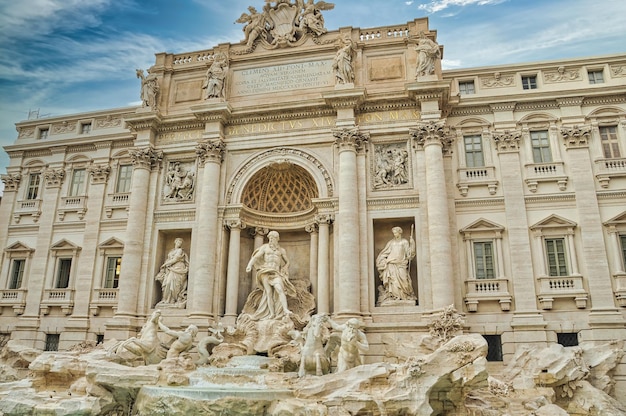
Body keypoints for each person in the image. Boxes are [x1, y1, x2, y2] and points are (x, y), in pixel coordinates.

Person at [245, 231, 296, 320]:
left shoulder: (281, 250)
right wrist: (249, 265)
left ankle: (285, 309)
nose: (271, 239)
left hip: (276, 272)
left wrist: (285, 267)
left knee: (280, 289)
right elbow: (256, 257)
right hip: (265, 271)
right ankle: (272, 314)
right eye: (270, 238)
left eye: (273, 238)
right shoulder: (265, 247)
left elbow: (287, 261)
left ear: (277, 239)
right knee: (268, 293)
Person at [376, 227, 416, 303]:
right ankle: (394, 296)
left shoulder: (404, 242)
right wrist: (382, 260)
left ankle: (404, 296)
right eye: (394, 233)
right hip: (391, 263)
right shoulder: (391, 243)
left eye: (396, 232)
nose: (395, 234)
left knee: (404, 279)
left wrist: (412, 244)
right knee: (393, 281)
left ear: (400, 232)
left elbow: (409, 254)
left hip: (401, 264)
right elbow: (384, 253)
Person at [155, 238, 189, 307]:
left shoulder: (180, 250)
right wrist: (165, 266)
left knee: (174, 284)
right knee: (167, 283)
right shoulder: (171, 251)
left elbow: (175, 259)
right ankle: (166, 299)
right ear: (175, 242)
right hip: (170, 268)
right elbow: (169, 259)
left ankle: (173, 300)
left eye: (180, 243)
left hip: (178, 268)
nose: (179, 243)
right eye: (178, 242)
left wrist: (164, 265)